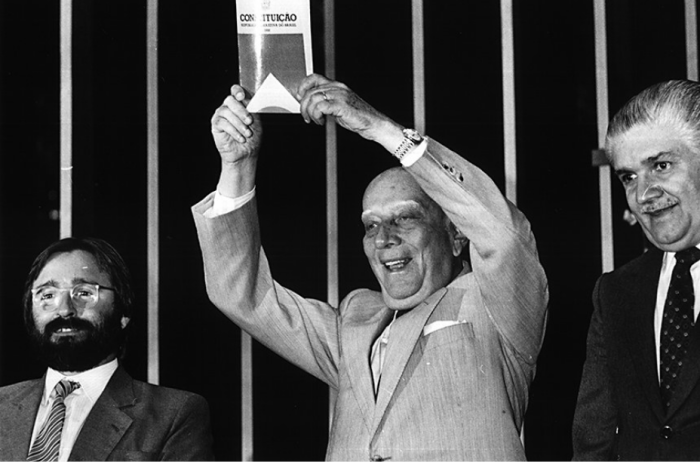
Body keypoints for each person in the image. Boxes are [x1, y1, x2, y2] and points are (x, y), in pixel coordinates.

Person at [193, 73, 548, 461]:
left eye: (405, 219)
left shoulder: (496, 305)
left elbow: (505, 236)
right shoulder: (355, 322)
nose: (384, 239)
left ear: (455, 236)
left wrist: (378, 127)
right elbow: (243, 296)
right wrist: (238, 167)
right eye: (371, 225)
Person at [572, 79, 700, 461]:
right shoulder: (615, 292)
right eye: (629, 177)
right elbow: (592, 441)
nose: (644, 194)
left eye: (660, 166)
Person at [0, 237, 215, 461]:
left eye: (83, 293)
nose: (64, 310)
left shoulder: (174, 414)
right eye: (48, 295)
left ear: (123, 312)